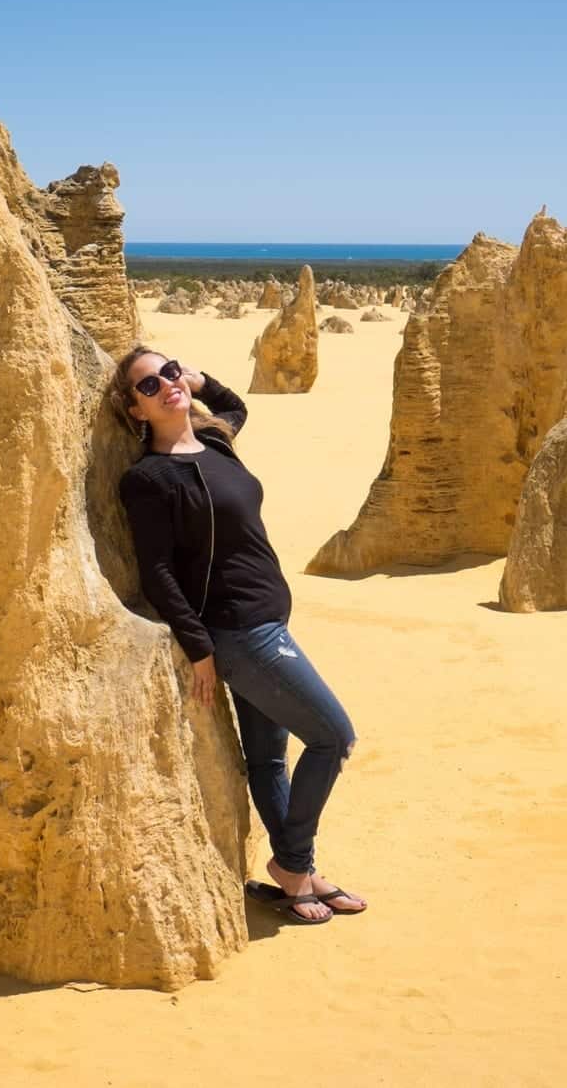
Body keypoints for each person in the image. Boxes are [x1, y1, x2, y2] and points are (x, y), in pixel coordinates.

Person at [111, 346, 365, 924]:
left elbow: (233, 405)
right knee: (333, 737)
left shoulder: (217, 442)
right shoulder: (148, 479)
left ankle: (299, 873)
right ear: (135, 411)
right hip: (240, 632)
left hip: (267, 621)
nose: (167, 386)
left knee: (269, 761)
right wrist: (200, 649)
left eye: (170, 372)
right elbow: (159, 573)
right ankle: (292, 865)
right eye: (149, 386)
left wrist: (200, 380)